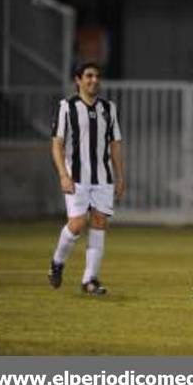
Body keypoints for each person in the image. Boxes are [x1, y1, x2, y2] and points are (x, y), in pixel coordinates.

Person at [48, 62, 125, 295]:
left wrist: (120, 176)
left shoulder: (108, 108)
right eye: (88, 76)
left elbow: (115, 145)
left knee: (100, 222)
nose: (94, 80)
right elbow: (57, 145)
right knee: (77, 224)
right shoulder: (66, 107)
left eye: (97, 76)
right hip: (77, 176)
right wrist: (63, 175)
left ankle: (90, 279)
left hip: (103, 177)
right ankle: (57, 262)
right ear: (78, 80)